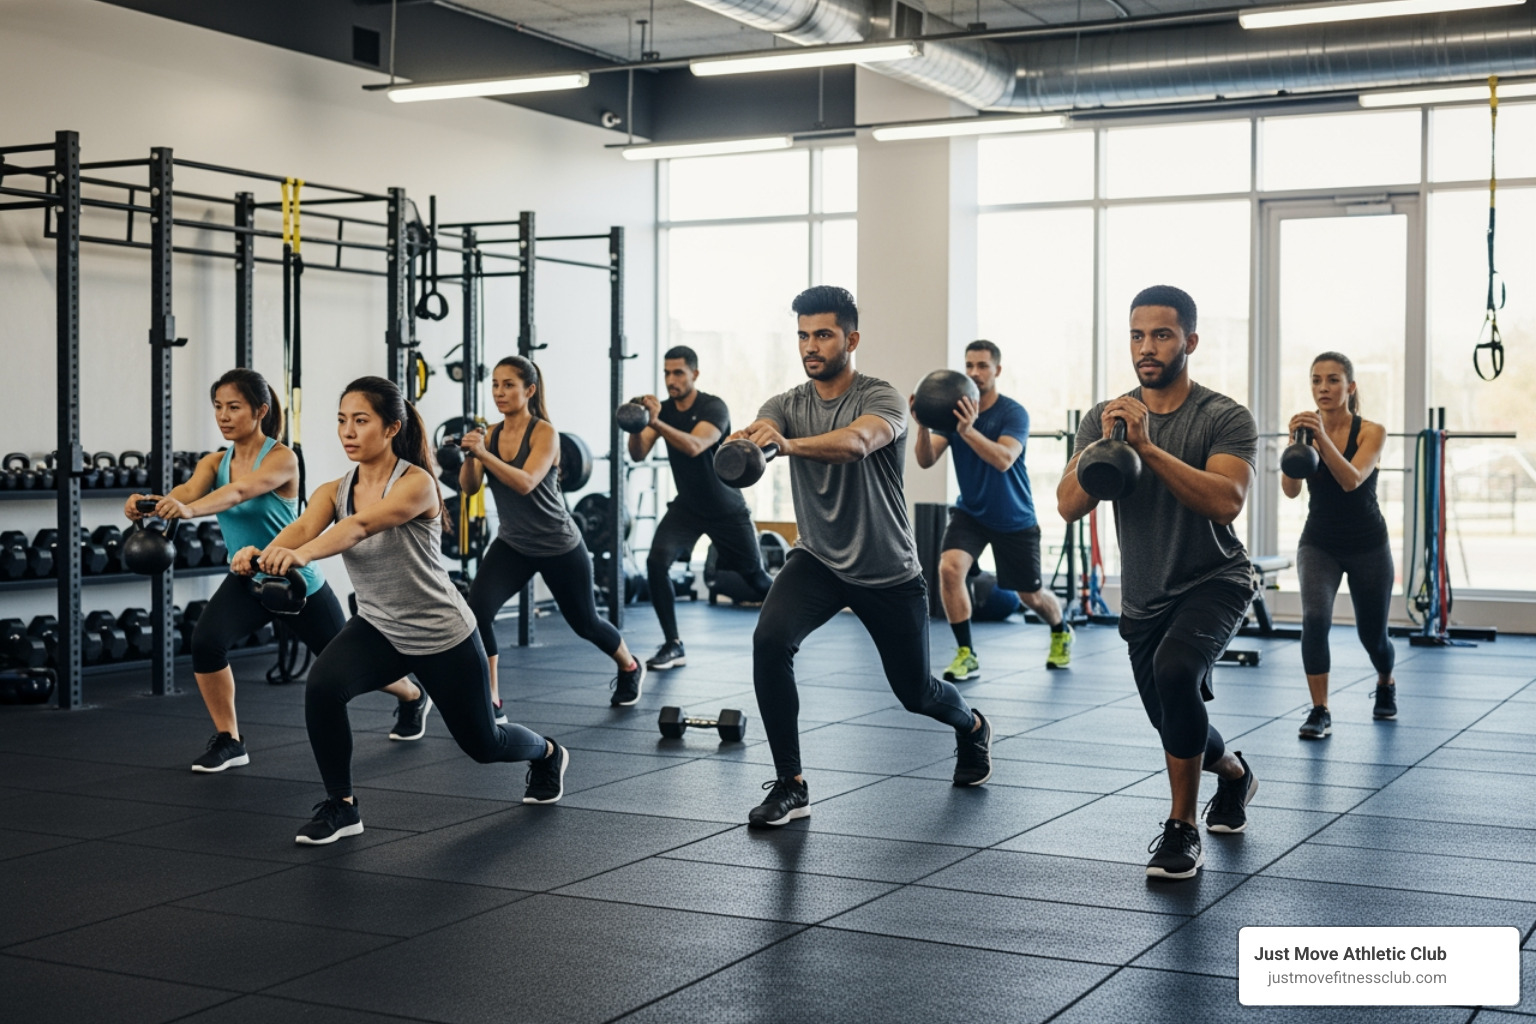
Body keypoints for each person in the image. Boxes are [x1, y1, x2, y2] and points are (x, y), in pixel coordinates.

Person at [234, 376, 570, 845]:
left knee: (484, 744)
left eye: (360, 421)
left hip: (442, 634)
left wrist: (303, 556)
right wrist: (261, 551)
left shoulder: (416, 485)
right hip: (378, 627)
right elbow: (304, 526)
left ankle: (548, 752)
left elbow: (361, 526)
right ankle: (342, 806)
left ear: (391, 428)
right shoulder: (334, 488)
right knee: (323, 687)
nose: (348, 431)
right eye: (341, 421)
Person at [733, 286, 993, 828]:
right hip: (818, 561)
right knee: (769, 642)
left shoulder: (884, 399)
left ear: (851, 339)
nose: (811, 345)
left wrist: (786, 445)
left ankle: (971, 727)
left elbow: (854, 444)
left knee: (915, 692)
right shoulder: (784, 405)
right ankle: (791, 784)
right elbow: (760, 442)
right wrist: (746, 446)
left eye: (823, 334)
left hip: (888, 571)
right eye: (803, 335)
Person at [125, 369, 428, 774]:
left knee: (342, 662)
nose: (224, 416)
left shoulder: (283, 457)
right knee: (206, 643)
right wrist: (150, 504)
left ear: (260, 411)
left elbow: (239, 491)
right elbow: (187, 492)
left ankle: (410, 694)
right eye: (218, 407)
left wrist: (189, 511)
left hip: (297, 582)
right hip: (248, 574)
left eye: (234, 407)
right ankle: (230, 740)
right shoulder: (214, 462)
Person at [1056, 285, 1258, 881]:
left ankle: (1182, 829)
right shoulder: (1104, 417)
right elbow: (1068, 505)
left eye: (1162, 335)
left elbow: (1227, 501)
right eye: (1138, 335)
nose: (1147, 347)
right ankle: (1235, 773)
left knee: (1177, 675)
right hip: (1145, 596)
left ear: (1189, 342)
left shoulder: (1222, 417)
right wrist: (1108, 446)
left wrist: (1147, 448)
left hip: (1215, 578)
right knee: (1173, 718)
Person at [459, 357, 644, 709]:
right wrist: (471, 456)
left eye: (508, 385)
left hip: (557, 543)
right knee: (477, 611)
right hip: (513, 543)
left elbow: (526, 483)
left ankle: (629, 665)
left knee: (585, 623)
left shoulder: (545, 432)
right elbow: (469, 489)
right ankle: (492, 697)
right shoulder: (491, 435)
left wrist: (483, 451)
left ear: (529, 390)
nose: (499, 392)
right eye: (495, 384)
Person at [912, 340, 1072, 678]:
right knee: (949, 568)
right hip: (971, 513)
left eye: (982, 366)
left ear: (997, 370)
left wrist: (967, 431)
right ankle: (966, 653)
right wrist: (923, 424)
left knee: (1030, 596)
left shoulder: (1013, 413)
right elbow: (925, 460)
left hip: (1014, 518)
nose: (974, 372)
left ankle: (1060, 629)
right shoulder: (953, 412)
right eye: (969, 365)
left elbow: (1003, 459)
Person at [627, 345, 775, 670]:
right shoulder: (662, 411)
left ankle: (797, 622)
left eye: (678, 372)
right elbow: (638, 454)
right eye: (666, 373)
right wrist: (639, 425)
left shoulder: (713, 407)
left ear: (694, 373)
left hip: (726, 507)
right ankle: (673, 644)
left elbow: (695, 446)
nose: (671, 380)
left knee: (756, 579)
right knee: (656, 563)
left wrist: (656, 421)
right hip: (688, 508)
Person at [1283, 351, 1395, 739]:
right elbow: (1291, 491)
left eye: (1332, 380)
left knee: (1373, 636)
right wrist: (1293, 445)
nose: (1323, 388)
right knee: (1315, 619)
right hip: (1319, 543)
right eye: (1316, 380)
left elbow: (1351, 479)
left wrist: (1319, 439)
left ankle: (1385, 680)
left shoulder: (1372, 431)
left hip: (1368, 545)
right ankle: (1320, 709)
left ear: (1350, 386)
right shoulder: (1305, 431)